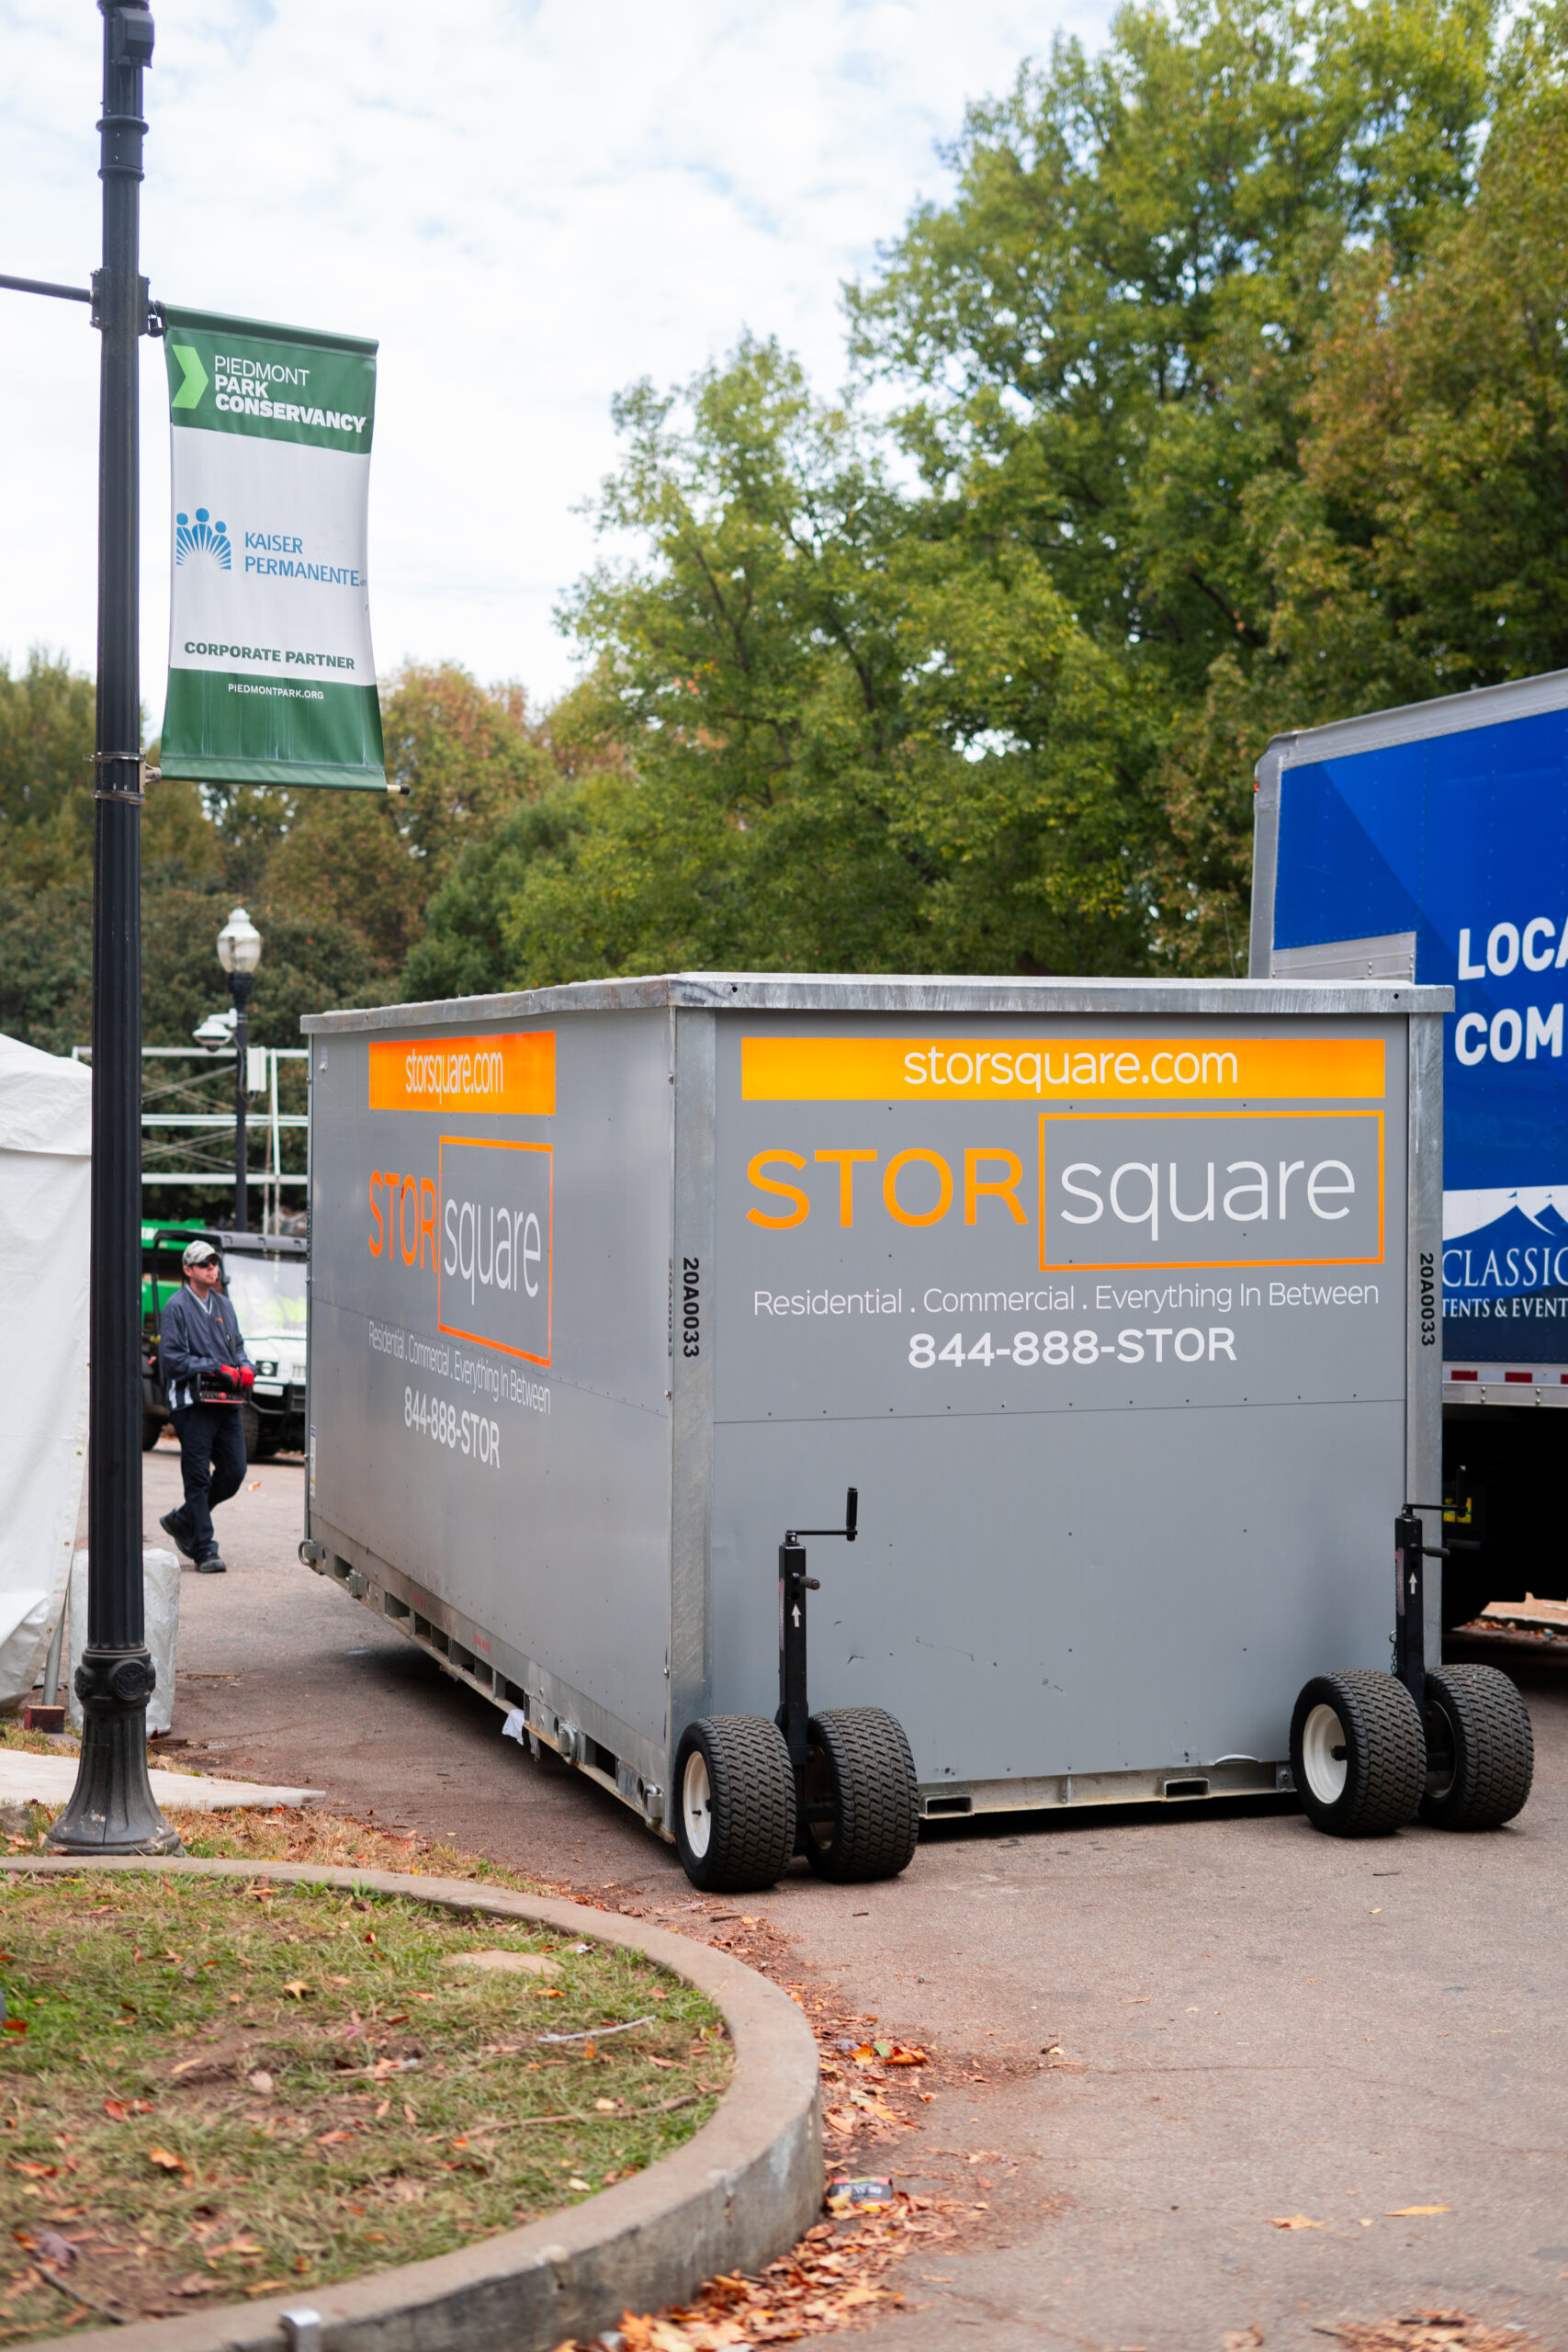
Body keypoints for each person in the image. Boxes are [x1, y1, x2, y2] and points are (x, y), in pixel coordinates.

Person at [157, 1238, 254, 1574]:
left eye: (214, 1262)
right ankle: (204, 1548)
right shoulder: (176, 1308)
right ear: (188, 1270)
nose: (213, 1268)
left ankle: (185, 1519)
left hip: (226, 1402)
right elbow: (171, 1360)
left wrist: (246, 1367)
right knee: (197, 1476)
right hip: (191, 1405)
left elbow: (239, 1347)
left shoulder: (224, 1306)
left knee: (234, 1471)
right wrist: (214, 1368)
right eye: (204, 1264)